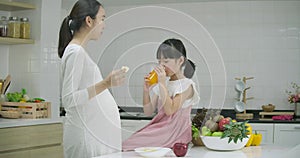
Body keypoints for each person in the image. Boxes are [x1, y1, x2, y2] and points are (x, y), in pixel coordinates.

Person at [58, 0, 127, 157]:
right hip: (86, 140)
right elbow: (69, 99)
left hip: (92, 138)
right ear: (89, 21)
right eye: (102, 18)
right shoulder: (75, 52)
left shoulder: (78, 51)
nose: (104, 24)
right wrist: (106, 83)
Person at [122, 38, 200, 151]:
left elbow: (170, 110)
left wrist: (162, 83)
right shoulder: (163, 83)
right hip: (160, 130)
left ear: (180, 60)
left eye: (166, 61)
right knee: (129, 143)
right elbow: (148, 111)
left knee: (129, 145)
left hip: (175, 133)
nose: (161, 65)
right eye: (159, 61)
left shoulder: (187, 85)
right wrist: (146, 90)